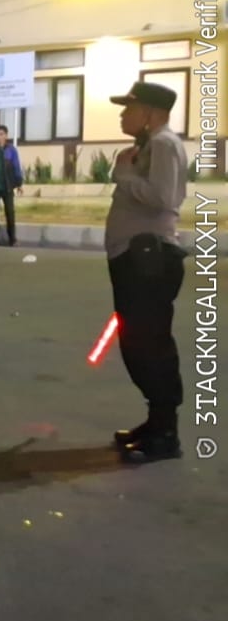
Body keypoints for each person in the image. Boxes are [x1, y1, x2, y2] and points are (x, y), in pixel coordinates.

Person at [104, 80, 190, 464]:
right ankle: (156, 424)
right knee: (137, 343)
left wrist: (125, 175)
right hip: (135, 258)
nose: (123, 114)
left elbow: (165, 198)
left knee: (149, 345)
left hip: (149, 262)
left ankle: (165, 434)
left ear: (151, 113)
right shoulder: (149, 145)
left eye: (129, 108)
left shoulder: (164, 144)